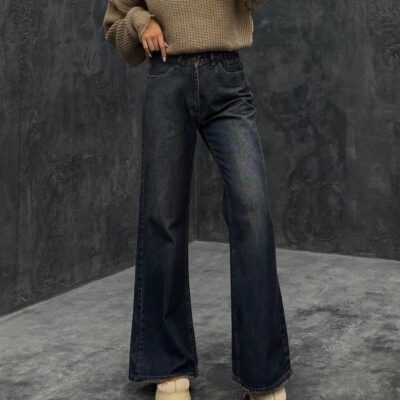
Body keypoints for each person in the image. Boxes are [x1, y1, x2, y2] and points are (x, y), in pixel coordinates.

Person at [103, 1, 292, 399]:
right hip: (166, 74)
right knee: (162, 219)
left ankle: (263, 371)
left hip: (227, 79)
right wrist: (141, 21)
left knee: (252, 213)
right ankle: (167, 364)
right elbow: (116, 17)